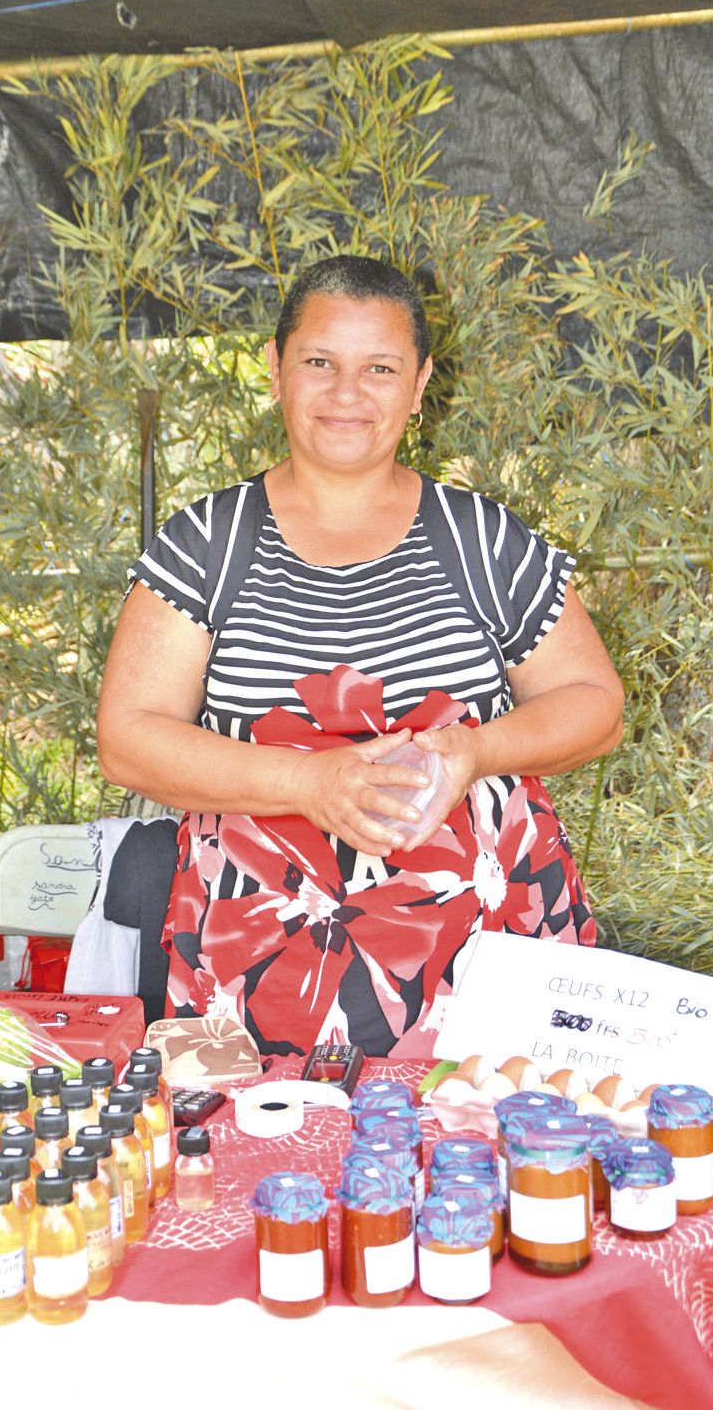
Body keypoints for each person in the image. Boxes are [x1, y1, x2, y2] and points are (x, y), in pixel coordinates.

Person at [97, 255, 624, 1057]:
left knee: (489, 1161)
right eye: (320, 363)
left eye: (380, 368)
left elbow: (595, 703)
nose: (348, 394)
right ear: (275, 370)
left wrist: (477, 749)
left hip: (484, 957)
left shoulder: (480, 539)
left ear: (419, 385)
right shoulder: (206, 545)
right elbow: (128, 737)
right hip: (259, 963)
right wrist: (306, 782)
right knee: (262, 1167)